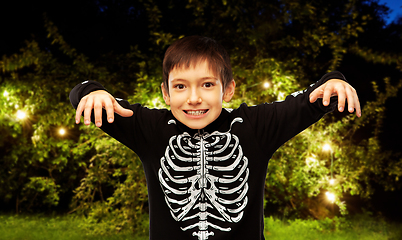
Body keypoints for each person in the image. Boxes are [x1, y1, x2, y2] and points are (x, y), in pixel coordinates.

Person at [70, 36, 361, 240]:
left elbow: (313, 97)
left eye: (207, 84)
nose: (194, 98)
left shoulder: (254, 127)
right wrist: (92, 91)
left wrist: (334, 80)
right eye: (181, 86)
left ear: (229, 89)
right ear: (165, 93)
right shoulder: (152, 129)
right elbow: (86, 94)